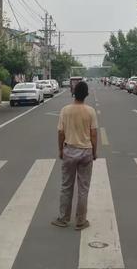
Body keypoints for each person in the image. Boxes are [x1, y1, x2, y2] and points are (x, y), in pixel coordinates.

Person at [52, 81, 97, 230]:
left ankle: (63, 219)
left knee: (66, 186)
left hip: (69, 151)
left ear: (73, 93)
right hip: (86, 152)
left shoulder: (65, 110)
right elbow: (94, 134)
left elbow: (60, 133)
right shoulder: (90, 111)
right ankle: (81, 221)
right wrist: (94, 151)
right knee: (83, 188)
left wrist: (60, 150)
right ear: (86, 95)